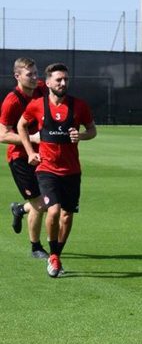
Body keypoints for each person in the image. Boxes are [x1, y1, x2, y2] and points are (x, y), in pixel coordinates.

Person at [17, 62, 97, 278]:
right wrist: (30, 151)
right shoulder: (37, 105)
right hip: (47, 169)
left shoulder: (79, 105)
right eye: (59, 79)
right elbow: (21, 126)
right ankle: (53, 255)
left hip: (72, 171)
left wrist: (80, 135)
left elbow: (92, 130)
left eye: (66, 79)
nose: (63, 83)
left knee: (67, 216)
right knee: (53, 210)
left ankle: (56, 254)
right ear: (49, 82)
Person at [0, 57, 48, 258]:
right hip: (20, 158)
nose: (35, 77)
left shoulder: (42, 88)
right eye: (30, 74)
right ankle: (35, 247)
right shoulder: (12, 101)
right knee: (40, 204)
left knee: (51, 201)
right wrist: (31, 138)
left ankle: (20, 209)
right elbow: (3, 135)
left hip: (43, 154)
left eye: (36, 73)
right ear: (17, 76)